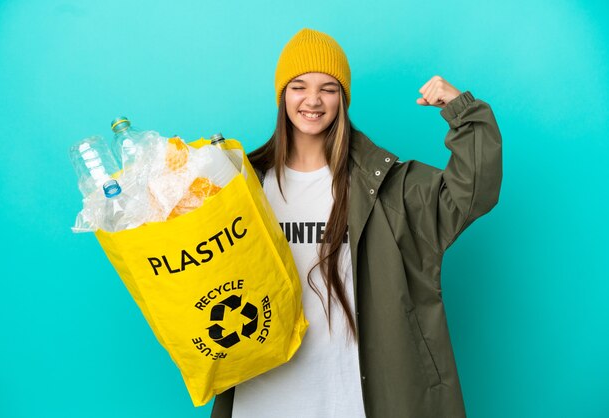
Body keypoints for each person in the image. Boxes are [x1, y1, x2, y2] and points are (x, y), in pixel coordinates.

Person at [211, 28, 502, 418]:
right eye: (298, 86)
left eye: (328, 88)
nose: (312, 100)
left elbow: (471, 194)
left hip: (349, 396)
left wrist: (464, 113)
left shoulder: (384, 186)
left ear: (343, 99)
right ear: (282, 96)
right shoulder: (243, 185)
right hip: (263, 393)